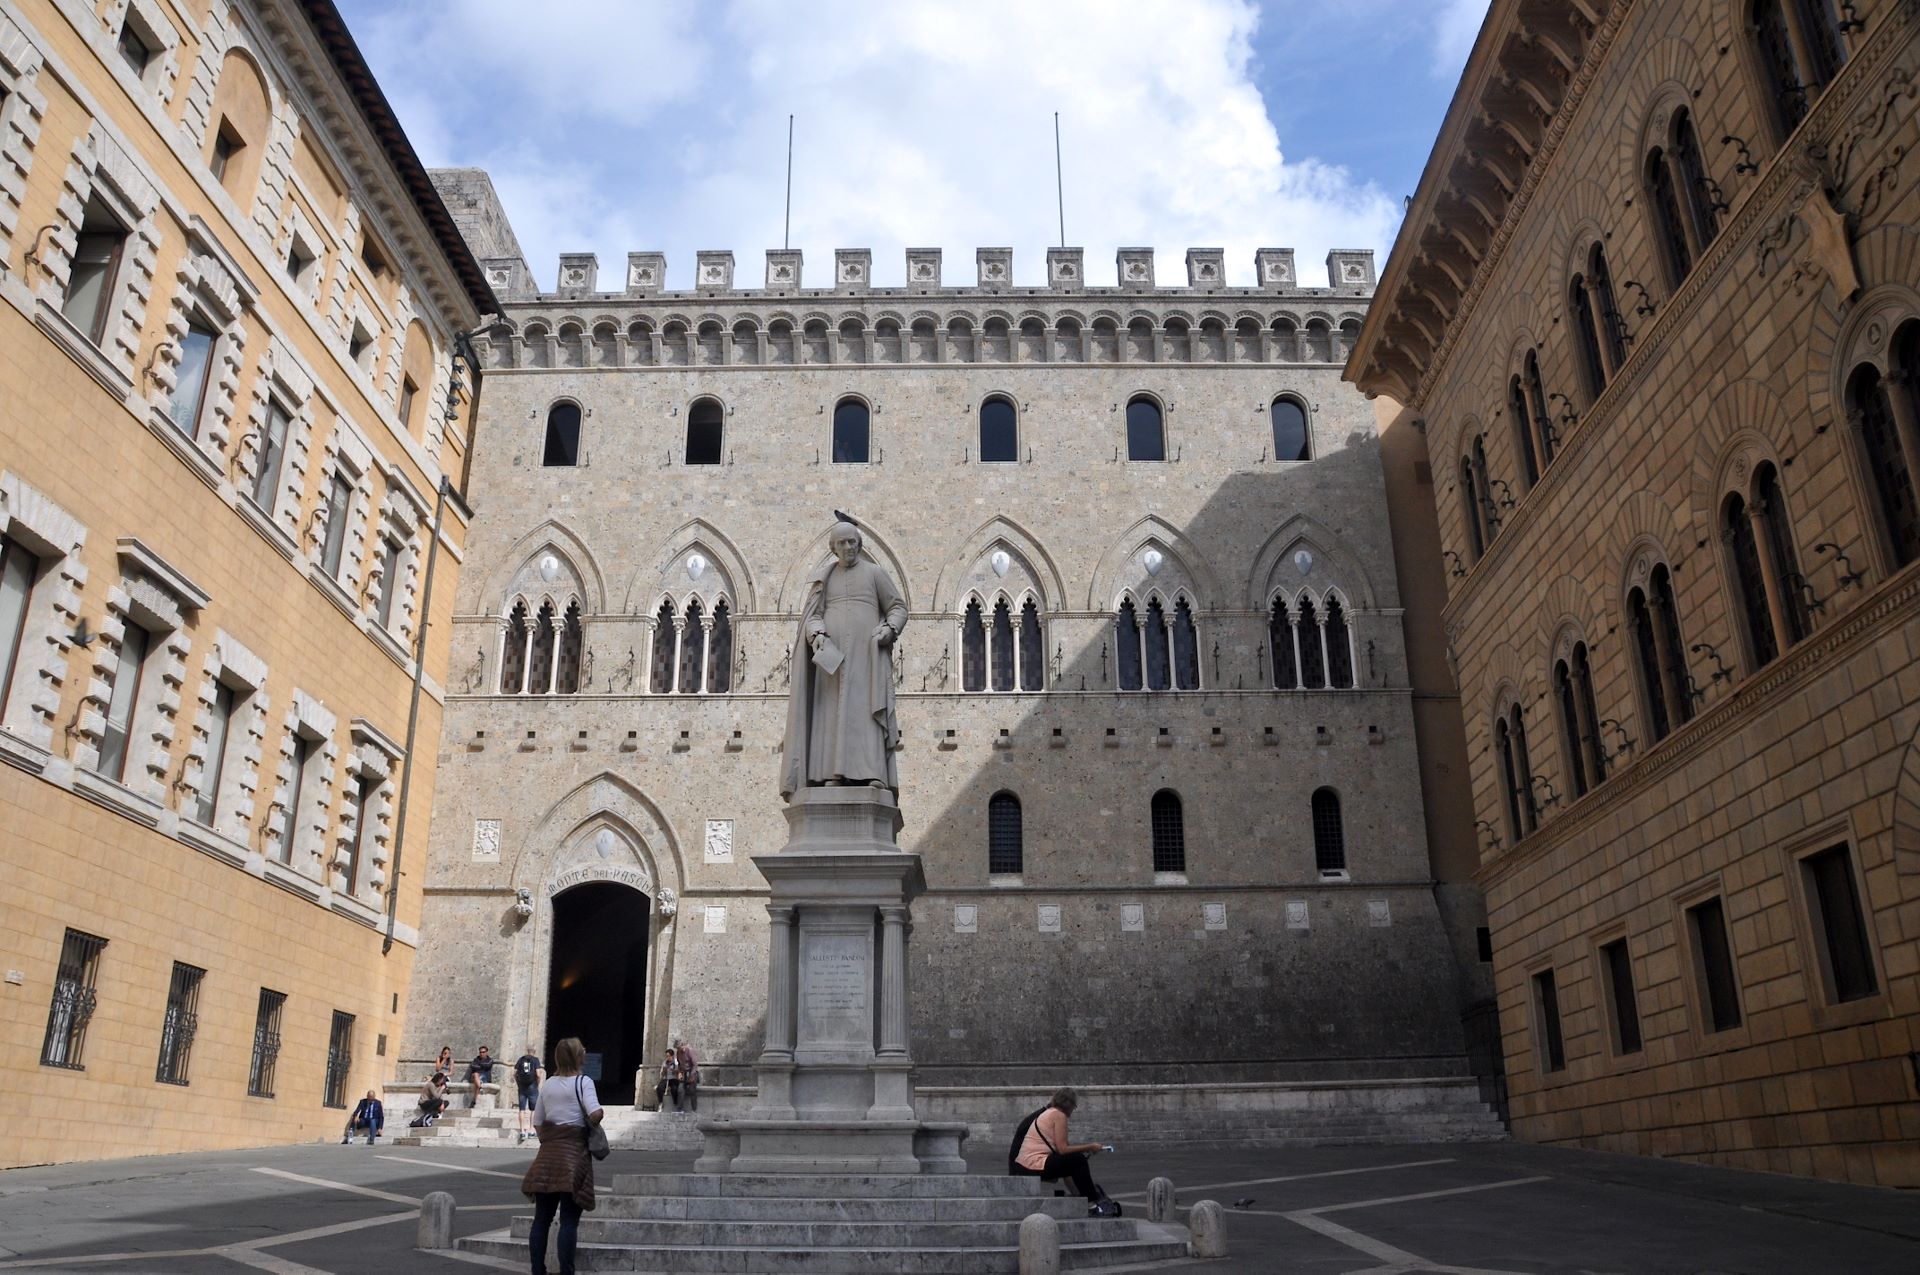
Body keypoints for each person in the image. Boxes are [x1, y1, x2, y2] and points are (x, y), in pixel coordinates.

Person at [778, 519, 908, 799]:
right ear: (834, 549)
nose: (848, 547)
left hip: (867, 657)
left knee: (865, 712)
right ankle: (829, 775)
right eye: (842, 543)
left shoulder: (875, 574)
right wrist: (818, 635)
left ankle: (873, 774)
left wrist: (889, 629)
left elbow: (897, 606)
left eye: (852, 542)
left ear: (859, 545)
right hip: (832, 663)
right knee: (831, 714)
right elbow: (812, 616)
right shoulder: (824, 579)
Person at [521, 1036, 602, 1275]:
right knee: (568, 1221)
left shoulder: (549, 1085)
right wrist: (590, 1120)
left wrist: (551, 1139)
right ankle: (567, 1270)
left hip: (548, 1156)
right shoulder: (584, 1082)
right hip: (573, 1156)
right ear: (579, 1057)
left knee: (541, 1220)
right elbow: (595, 1112)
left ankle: (538, 1270)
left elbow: (537, 1122)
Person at [1010, 1087, 1116, 1214]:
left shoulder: (1049, 1113)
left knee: (1075, 1160)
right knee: (1078, 1160)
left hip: (1023, 1166)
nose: (1073, 1110)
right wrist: (1090, 1146)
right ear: (1068, 1104)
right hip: (1032, 1165)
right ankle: (1092, 1203)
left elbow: (1065, 1155)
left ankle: (1085, 1199)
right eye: (1074, 1106)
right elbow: (1063, 1149)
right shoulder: (1059, 1115)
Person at [512, 1044, 544, 1144]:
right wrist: (537, 1084)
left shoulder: (521, 1059)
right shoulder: (535, 1060)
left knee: (522, 1109)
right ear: (534, 1051)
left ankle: (522, 1131)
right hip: (532, 1086)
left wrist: (518, 1083)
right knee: (533, 1109)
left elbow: (514, 1073)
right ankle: (530, 1129)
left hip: (522, 1086)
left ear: (527, 1050)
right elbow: (538, 1074)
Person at [672, 1038, 700, 1113]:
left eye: (679, 1047)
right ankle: (679, 1109)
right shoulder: (678, 1053)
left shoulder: (690, 1051)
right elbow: (679, 1064)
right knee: (680, 1090)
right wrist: (679, 1073)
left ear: (683, 1045)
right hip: (684, 1072)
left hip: (692, 1071)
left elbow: (695, 1064)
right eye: (677, 1048)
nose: (679, 1049)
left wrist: (692, 1075)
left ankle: (694, 1109)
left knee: (692, 1090)